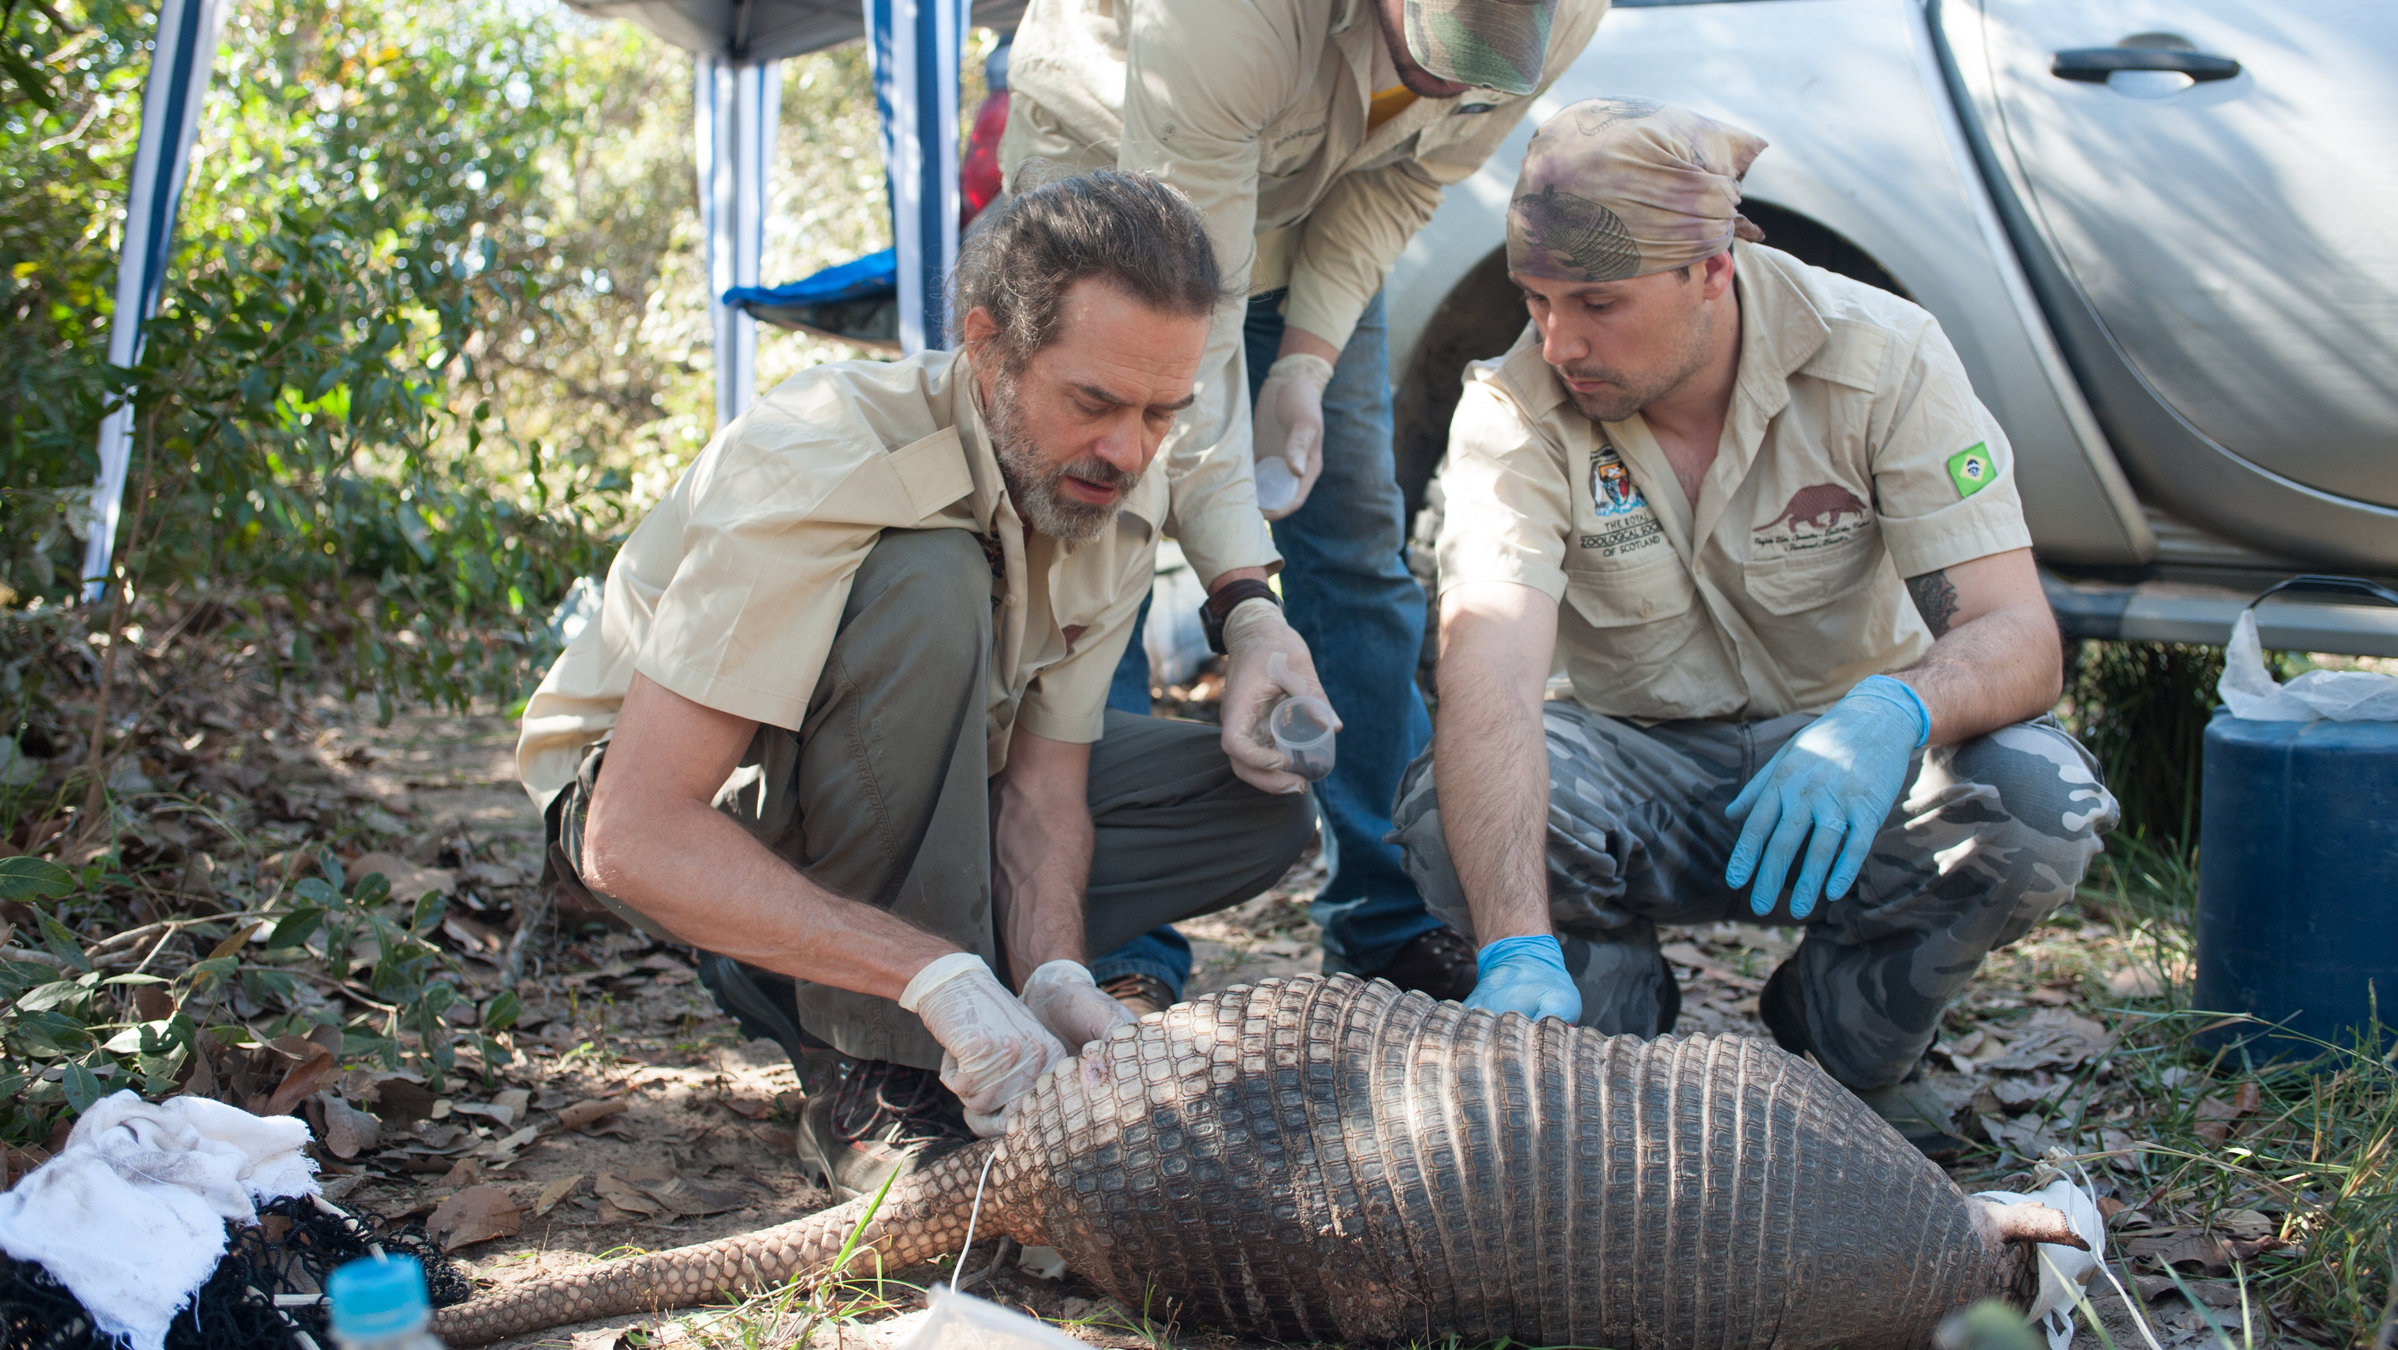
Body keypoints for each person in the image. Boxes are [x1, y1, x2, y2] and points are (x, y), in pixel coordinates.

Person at [515, 170, 1316, 1198]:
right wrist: (928, 976)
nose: (1127, 451)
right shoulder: (817, 451)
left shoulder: (1113, 487)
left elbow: (1043, 794)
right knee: (934, 578)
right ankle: (871, 1064)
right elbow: (630, 833)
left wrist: (1054, 971)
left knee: (1255, 809)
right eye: (1093, 402)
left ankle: (909, 973)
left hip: (933, 782)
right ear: (987, 346)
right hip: (671, 803)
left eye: (1161, 412)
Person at [1391, 100, 2120, 1151]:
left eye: (1599, 302)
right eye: (1536, 301)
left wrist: (1894, 711)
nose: (1560, 342)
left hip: (1847, 768)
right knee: (1444, 807)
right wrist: (1512, 946)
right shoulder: (1514, 407)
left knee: (2036, 798)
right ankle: (1605, 1060)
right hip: (1631, 768)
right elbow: (1489, 673)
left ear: (1712, 271)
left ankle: (1841, 1044)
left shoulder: (1883, 354)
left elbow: (2017, 631)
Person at [1001, 0, 1611, 1001]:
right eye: (1439, 54)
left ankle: (1397, 921)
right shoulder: (1224, 19)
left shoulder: (1565, 15)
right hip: (1121, 206)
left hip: (1307, 209)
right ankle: (1115, 948)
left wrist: (1305, 362)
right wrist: (1247, 605)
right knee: (1102, 548)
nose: (1453, 89)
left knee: (1359, 552)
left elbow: (1407, 178)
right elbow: (1187, 314)